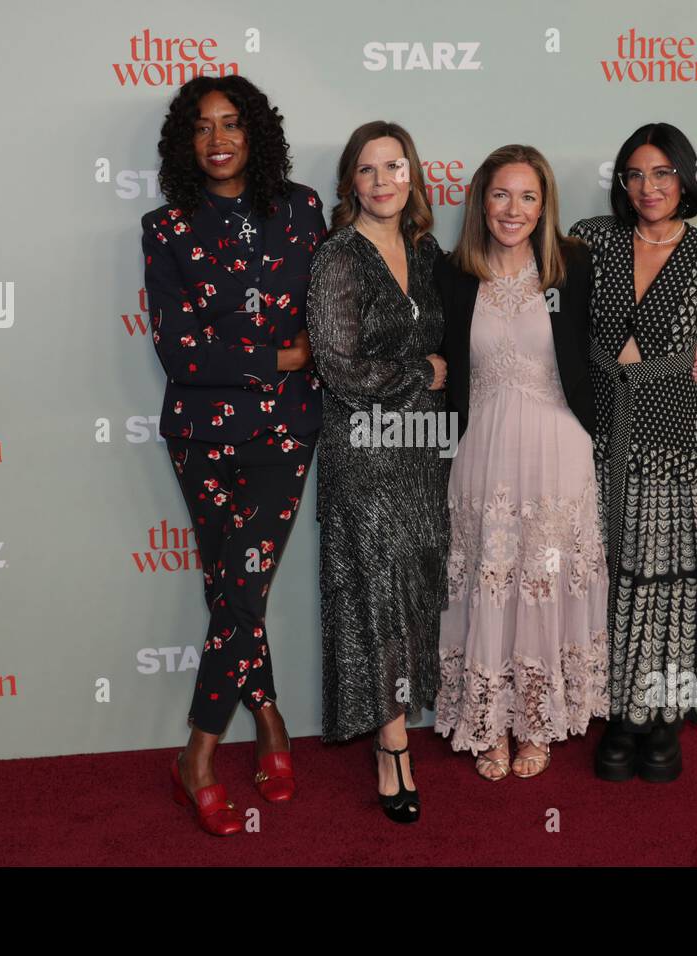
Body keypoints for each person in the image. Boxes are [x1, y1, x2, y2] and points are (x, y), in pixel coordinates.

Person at [140, 75, 325, 835]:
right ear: (186, 143)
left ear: (256, 134)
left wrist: (246, 352)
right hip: (200, 435)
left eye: (232, 124)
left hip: (284, 434)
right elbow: (180, 351)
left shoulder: (302, 209)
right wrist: (277, 359)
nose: (218, 140)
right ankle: (272, 717)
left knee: (240, 588)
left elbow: (325, 319)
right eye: (202, 127)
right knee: (237, 590)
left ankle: (199, 754)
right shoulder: (164, 228)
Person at [568, 121, 697, 784]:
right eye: (635, 174)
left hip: (674, 444)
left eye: (662, 174)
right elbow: (556, 331)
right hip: (595, 438)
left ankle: (662, 720)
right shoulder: (590, 240)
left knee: (664, 591)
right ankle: (619, 719)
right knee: (608, 585)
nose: (648, 188)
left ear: (686, 179)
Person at [431, 145, 610, 780]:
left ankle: (537, 719)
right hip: (480, 452)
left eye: (528, 197)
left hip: (558, 450)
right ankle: (489, 720)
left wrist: (682, 360)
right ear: (482, 200)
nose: (514, 209)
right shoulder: (453, 273)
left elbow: (611, 347)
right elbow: (433, 350)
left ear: (545, 205)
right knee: (490, 579)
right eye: (502, 195)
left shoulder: (574, 265)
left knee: (544, 581)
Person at [305, 121, 449, 823]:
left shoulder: (428, 253)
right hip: (363, 452)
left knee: (417, 590)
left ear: (413, 176)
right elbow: (336, 366)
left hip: (426, 451)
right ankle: (392, 745)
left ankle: (401, 725)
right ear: (350, 183)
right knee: (378, 596)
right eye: (368, 169)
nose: (383, 180)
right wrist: (422, 371)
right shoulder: (338, 257)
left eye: (395, 166)